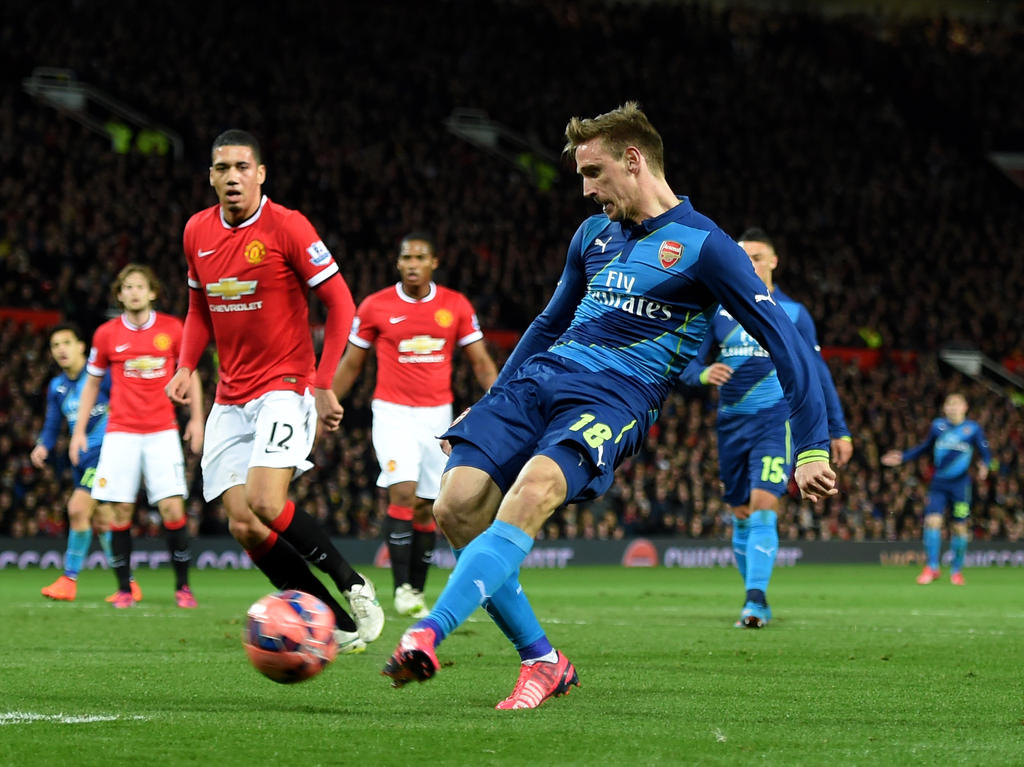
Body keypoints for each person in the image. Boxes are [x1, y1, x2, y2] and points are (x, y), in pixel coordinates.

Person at [382, 102, 837, 708]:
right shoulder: (592, 235)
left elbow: (787, 343)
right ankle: (543, 661)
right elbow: (547, 324)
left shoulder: (707, 247)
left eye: (595, 174)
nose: (588, 189)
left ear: (633, 160)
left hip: (616, 397)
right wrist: (488, 402)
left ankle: (427, 633)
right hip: (540, 379)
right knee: (455, 507)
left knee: (533, 491)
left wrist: (810, 444)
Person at [165, 128, 384, 653]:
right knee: (242, 523)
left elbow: (341, 304)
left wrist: (324, 382)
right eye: (222, 168)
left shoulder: (287, 226)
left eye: (242, 166)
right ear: (211, 177)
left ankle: (354, 586)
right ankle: (329, 622)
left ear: (260, 173)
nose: (232, 177)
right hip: (230, 394)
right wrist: (183, 365)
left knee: (266, 501)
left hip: (285, 385)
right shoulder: (197, 231)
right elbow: (199, 309)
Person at [680, 227, 854, 628]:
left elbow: (816, 373)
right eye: (744, 257)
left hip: (776, 422)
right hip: (731, 424)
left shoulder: (793, 314)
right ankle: (753, 594)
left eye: (758, 256)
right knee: (740, 512)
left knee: (762, 504)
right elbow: (687, 360)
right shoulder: (718, 310)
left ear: (774, 260)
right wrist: (703, 376)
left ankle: (755, 601)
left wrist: (836, 428)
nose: (750, 264)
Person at [332, 232, 498, 618]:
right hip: (392, 413)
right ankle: (401, 588)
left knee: (428, 505)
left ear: (433, 263)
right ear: (398, 262)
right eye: (406, 257)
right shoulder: (375, 306)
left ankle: (415, 590)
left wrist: (501, 404)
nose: (411, 264)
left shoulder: (455, 306)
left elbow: (480, 362)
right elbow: (352, 363)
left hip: (437, 416)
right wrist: (327, 402)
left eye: (420, 257)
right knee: (402, 492)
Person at [69, 264, 204, 608]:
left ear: (153, 292)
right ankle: (125, 590)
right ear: (119, 294)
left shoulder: (173, 329)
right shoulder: (106, 334)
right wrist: (79, 431)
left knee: (173, 507)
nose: (133, 292)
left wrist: (197, 420)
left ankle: (183, 587)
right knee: (119, 510)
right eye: (127, 287)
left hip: (162, 431)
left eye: (139, 286)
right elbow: (92, 383)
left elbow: (192, 375)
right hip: (121, 433)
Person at [33, 323, 125, 602]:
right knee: (102, 518)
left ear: (81, 346)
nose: (61, 349)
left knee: (77, 508)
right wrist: (42, 445)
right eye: (55, 345)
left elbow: (123, 404)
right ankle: (127, 584)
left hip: (106, 453)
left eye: (66, 343)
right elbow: (52, 423)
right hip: (81, 459)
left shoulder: (101, 377)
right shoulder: (57, 387)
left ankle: (69, 579)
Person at [882, 392, 991, 585]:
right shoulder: (938, 426)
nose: (953, 407)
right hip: (938, 484)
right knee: (932, 522)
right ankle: (932, 567)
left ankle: (956, 571)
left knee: (960, 527)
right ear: (945, 408)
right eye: (949, 404)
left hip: (960, 487)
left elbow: (985, 453)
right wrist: (903, 457)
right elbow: (925, 448)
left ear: (965, 407)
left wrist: (985, 465)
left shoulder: (972, 429)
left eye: (957, 404)